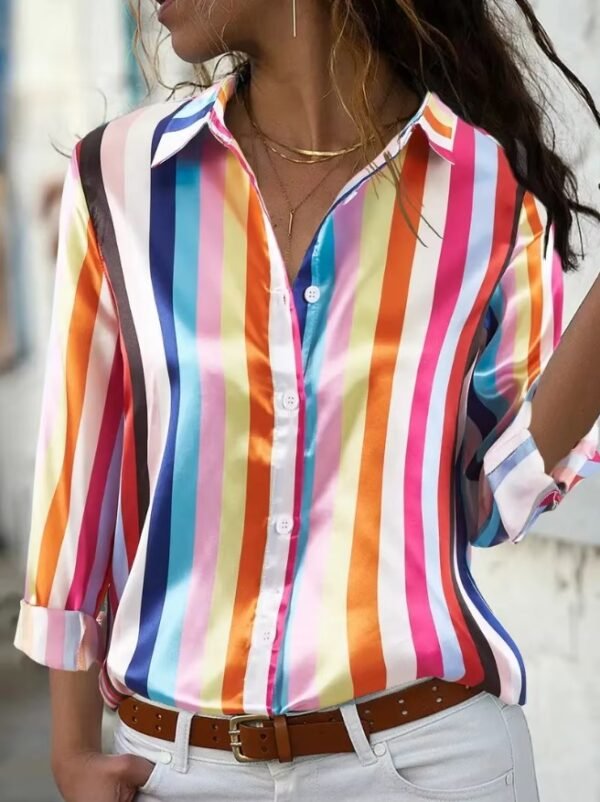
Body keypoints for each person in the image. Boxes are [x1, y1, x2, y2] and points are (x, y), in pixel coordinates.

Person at [13, 0, 600, 800]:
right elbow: (80, 478)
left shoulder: (487, 189)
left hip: (431, 763)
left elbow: (492, 497)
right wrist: (71, 750)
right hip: (177, 772)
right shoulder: (121, 180)